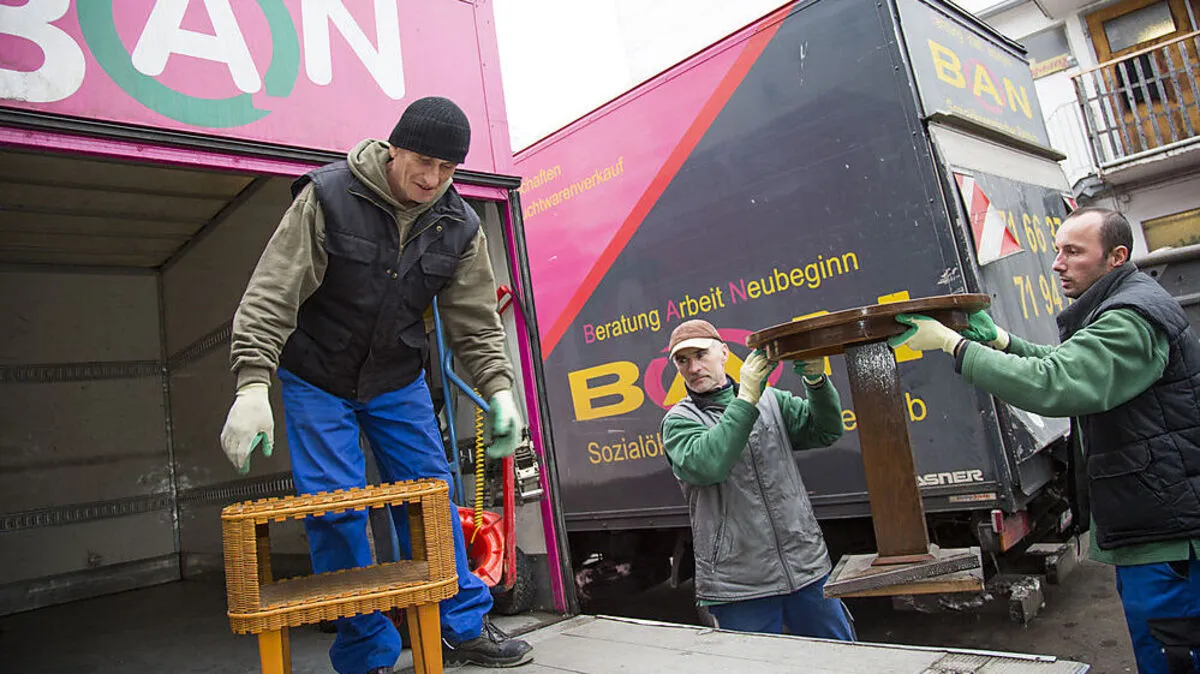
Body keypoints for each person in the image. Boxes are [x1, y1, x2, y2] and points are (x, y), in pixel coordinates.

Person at [218, 96, 533, 672]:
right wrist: (252, 384)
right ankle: (366, 650)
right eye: (422, 161)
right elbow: (272, 291)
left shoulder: (459, 225)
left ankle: (461, 625)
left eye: (447, 168)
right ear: (394, 149)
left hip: (395, 377)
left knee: (430, 498)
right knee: (335, 510)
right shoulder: (329, 197)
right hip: (316, 375)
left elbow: (475, 320)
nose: (432, 179)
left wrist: (500, 389)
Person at [890, 207, 1200, 674]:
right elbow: (1067, 361)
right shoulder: (1122, 304)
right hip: (1160, 526)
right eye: (1058, 250)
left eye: (1073, 252)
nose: (1057, 263)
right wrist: (1002, 341)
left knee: (1174, 655)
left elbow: (1055, 382)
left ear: (1116, 256)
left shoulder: (1131, 318)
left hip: (1168, 541)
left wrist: (955, 346)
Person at [660, 319, 855, 639]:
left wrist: (817, 382)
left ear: (724, 353)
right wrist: (746, 399)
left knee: (842, 657)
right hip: (740, 586)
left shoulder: (771, 400)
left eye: (701, 355)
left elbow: (826, 430)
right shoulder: (679, 421)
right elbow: (709, 465)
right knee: (759, 663)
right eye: (683, 360)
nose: (693, 367)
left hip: (805, 568)